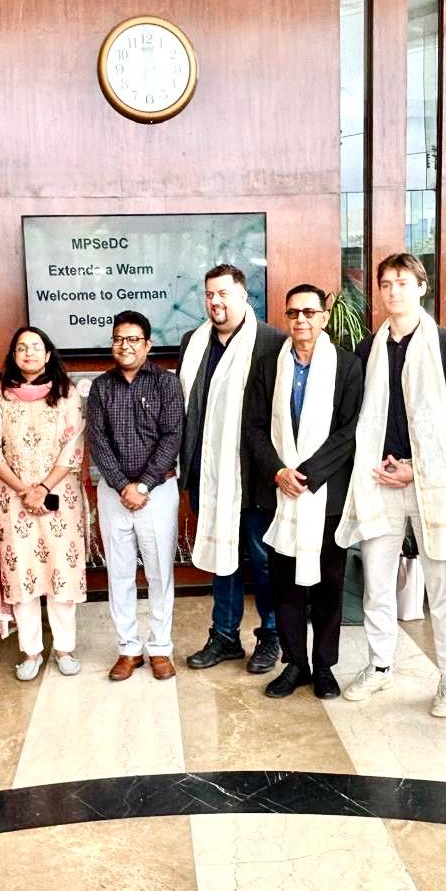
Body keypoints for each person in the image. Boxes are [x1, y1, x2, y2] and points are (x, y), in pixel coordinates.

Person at [335, 254, 446, 713]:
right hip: (379, 475)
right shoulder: (369, 347)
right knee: (376, 581)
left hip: (427, 477)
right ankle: (379, 665)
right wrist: (384, 464)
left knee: (441, 581)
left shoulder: (445, 343)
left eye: (403, 282)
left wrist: (419, 466)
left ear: (421, 287)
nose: (394, 291)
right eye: (387, 283)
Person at [246, 284, 363, 699]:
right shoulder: (268, 366)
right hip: (281, 493)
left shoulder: (347, 366)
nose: (301, 320)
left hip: (326, 494)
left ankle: (325, 666)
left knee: (329, 585)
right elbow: (254, 427)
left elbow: (351, 430)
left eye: (310, 312)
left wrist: (308, 474)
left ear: (324, 317)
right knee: (286, 585)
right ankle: (296, 663)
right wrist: (279, 471)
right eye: (294, 313)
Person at [178, 263, 287, 673]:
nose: (215, 301)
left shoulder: (272, 341)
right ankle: (224, 636)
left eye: (223, 293)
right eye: (209, 294)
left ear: (244, 295)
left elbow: (280, 414)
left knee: (262, 560)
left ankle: (271, 635)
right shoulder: (193, 342)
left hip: (255, 475)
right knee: (219, 553)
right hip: (207, 473)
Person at [0, 326, 87, 680]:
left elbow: (73, 446)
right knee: (22, 574)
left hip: (59, 498)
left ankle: (64, 648)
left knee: (61, 572)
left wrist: (42, 487)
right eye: (21, 347)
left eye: (36, 347)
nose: (28, 353)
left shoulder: (66, 393)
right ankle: (30, 652)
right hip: (14, 501)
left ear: (48, 354)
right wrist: (24, 489)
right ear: (13, 356)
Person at [86, 310, 184, 681]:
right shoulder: (101, 387)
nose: (124, 346)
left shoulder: (166, 383)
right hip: (114, 493)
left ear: (147, 344)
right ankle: (128, 648)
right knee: (120, 573)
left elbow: (172, 436)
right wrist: (122, 485)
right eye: (118, 339)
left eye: (132, 339)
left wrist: (142, 485)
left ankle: (160, 648)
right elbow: (97, 440)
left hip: (157, 492)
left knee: (160, 574)